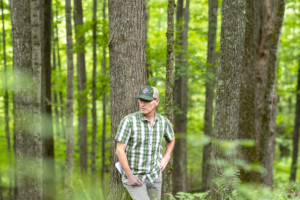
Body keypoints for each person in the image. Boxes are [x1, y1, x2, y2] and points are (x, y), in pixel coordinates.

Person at [115, 86, 175, 200]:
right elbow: (119, 150)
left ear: (156, 101)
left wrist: (167, 156)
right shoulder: (129, 121)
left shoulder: (163, 122)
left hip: (154, 175)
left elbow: (171, 139)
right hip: (135, 176)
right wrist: (129, 175)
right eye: (141, 100)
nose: (143, 104)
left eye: (147, 101)